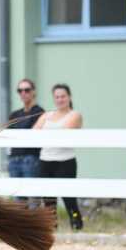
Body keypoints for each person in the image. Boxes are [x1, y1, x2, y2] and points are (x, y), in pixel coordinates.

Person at [34, 83, 83, 230]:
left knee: (68, 197)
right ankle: (52, 226)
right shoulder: (47, 115)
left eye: (63, 96)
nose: (60, 99)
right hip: (45, 160)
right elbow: (34, 132)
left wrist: (45, 134)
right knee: (48, 198)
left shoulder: (75, 115)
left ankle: (76, 223)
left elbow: (63, 134)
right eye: (57, 97)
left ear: (69, 97)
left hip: (65, 161)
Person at [7, 78, 44, 207]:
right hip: (14, 159)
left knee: (33, 198)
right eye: (20, 90)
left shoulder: (39, 112)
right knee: (18, 199)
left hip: (31, 158)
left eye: (27, 90)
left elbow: (32, 134)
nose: (23, 93)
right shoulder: (14, 114)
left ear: (33, 92)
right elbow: (8, 134)